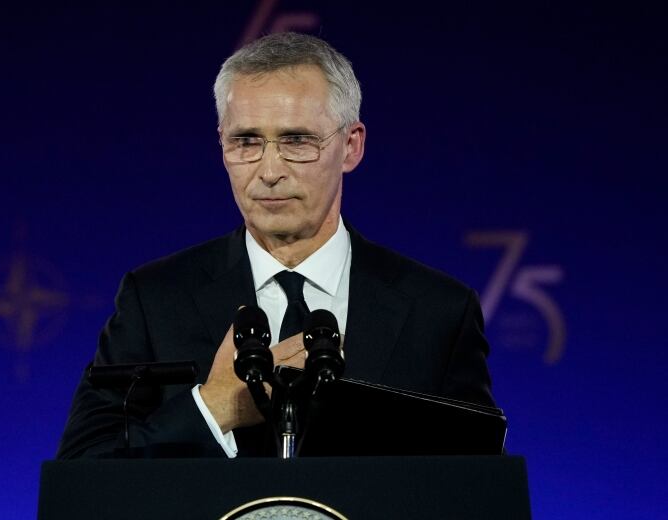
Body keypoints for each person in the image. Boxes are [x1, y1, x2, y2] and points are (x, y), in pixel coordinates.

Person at [57, 32, 494, 459]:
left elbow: (476, 494)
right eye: (246, 141)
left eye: (296, 141)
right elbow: (80, 476)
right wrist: (213, 409)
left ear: (351, 146)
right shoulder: (155, 300)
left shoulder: (437, 312)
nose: (269, 170)